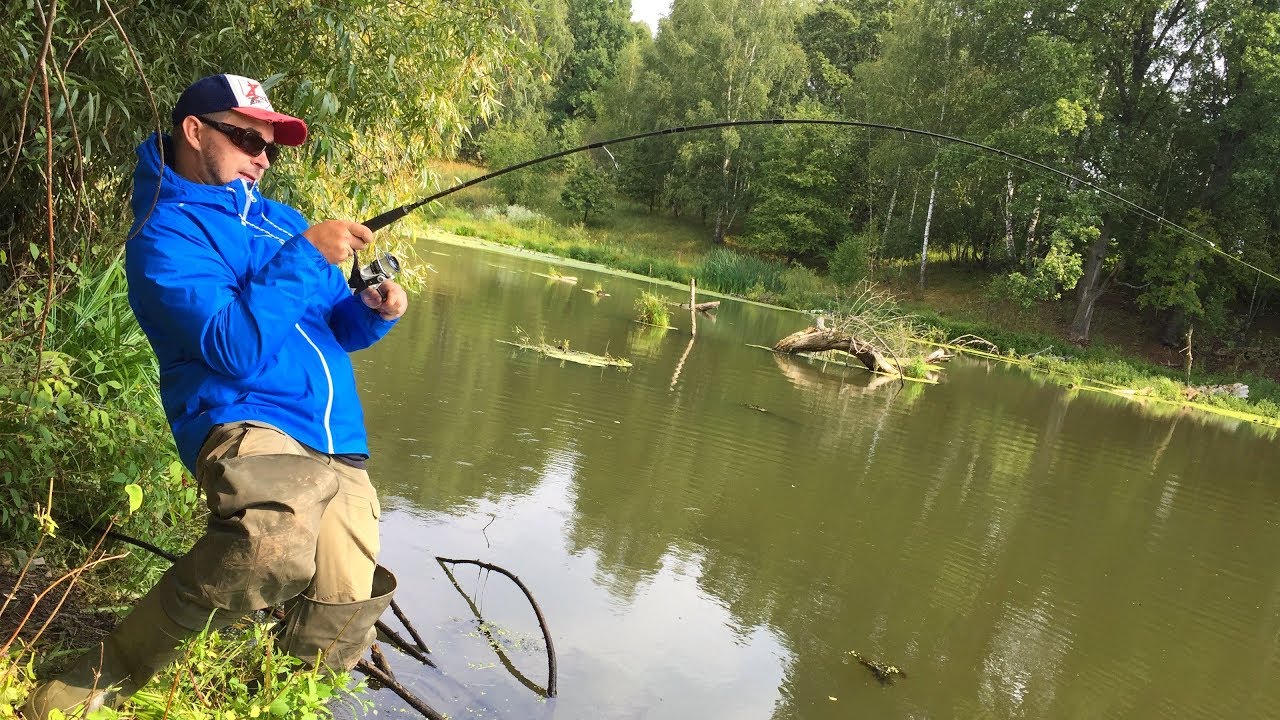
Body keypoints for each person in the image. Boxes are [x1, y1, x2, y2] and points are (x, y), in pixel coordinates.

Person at [23, 74, 407, 718]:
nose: (262, 157)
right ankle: (85, 688)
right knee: (268, 542)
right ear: (194, 131)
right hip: (244, 416)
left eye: (270, 147)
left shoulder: (281, 221)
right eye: (245, 138)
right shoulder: (164, 234)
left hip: (337, 435)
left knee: (344, 609)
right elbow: (231, 346)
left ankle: (262, 706)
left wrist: (372, 310)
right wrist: (308, 254)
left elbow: (329, 324)